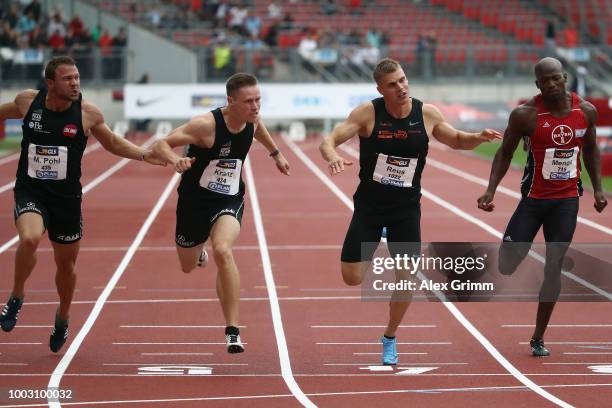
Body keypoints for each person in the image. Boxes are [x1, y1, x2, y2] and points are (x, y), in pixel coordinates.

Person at [319, 58, 501, 365]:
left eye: (403, 80)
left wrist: (477, 138)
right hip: (369, 208)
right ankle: (376, 239)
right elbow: (329, 139)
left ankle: (389, 337)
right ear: (381, 89)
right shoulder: (368, 113)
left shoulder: (426, 114)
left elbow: (455, 139)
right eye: (392, 84)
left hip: (405, 211)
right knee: (351, 278)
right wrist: (332, 155)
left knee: (406, 281)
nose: (401, 87)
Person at [0, 56, 161, 352]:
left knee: (66, 264)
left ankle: (63, 315)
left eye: (76, 77)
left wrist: (144, 154)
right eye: (67, 78)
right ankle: (16, 296)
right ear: (50, 83)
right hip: (30, 191)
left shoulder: (87, 113)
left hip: (67, 200)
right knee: (29, 238)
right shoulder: (27, 102)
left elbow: (112, 142)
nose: (75, 83)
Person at [150, 73, 290, 353]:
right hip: (193, 203)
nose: (255, 106)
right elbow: (161, 144)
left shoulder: (252, 119)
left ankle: (233, 331)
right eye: (248, 101)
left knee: (223, 250)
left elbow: (259, 128)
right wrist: (176, 159)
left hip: (229, 198)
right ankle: (198, 252)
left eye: (258, 100)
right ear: (231, 101)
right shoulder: (205, 126)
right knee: (187, 266)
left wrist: (276, 154)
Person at [477, 57, 608, 356]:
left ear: (564, 78)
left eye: (555, 78)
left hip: (566, 201)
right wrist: (490, 190)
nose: (550, 84)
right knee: (507, 265)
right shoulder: (526, 115)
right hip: (533, 200)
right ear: (537, 84)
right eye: (544, 81)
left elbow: (590, 150)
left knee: (554, 268)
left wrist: (598, 189)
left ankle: (538, 337)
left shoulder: (585, 111)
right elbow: (505, 151)